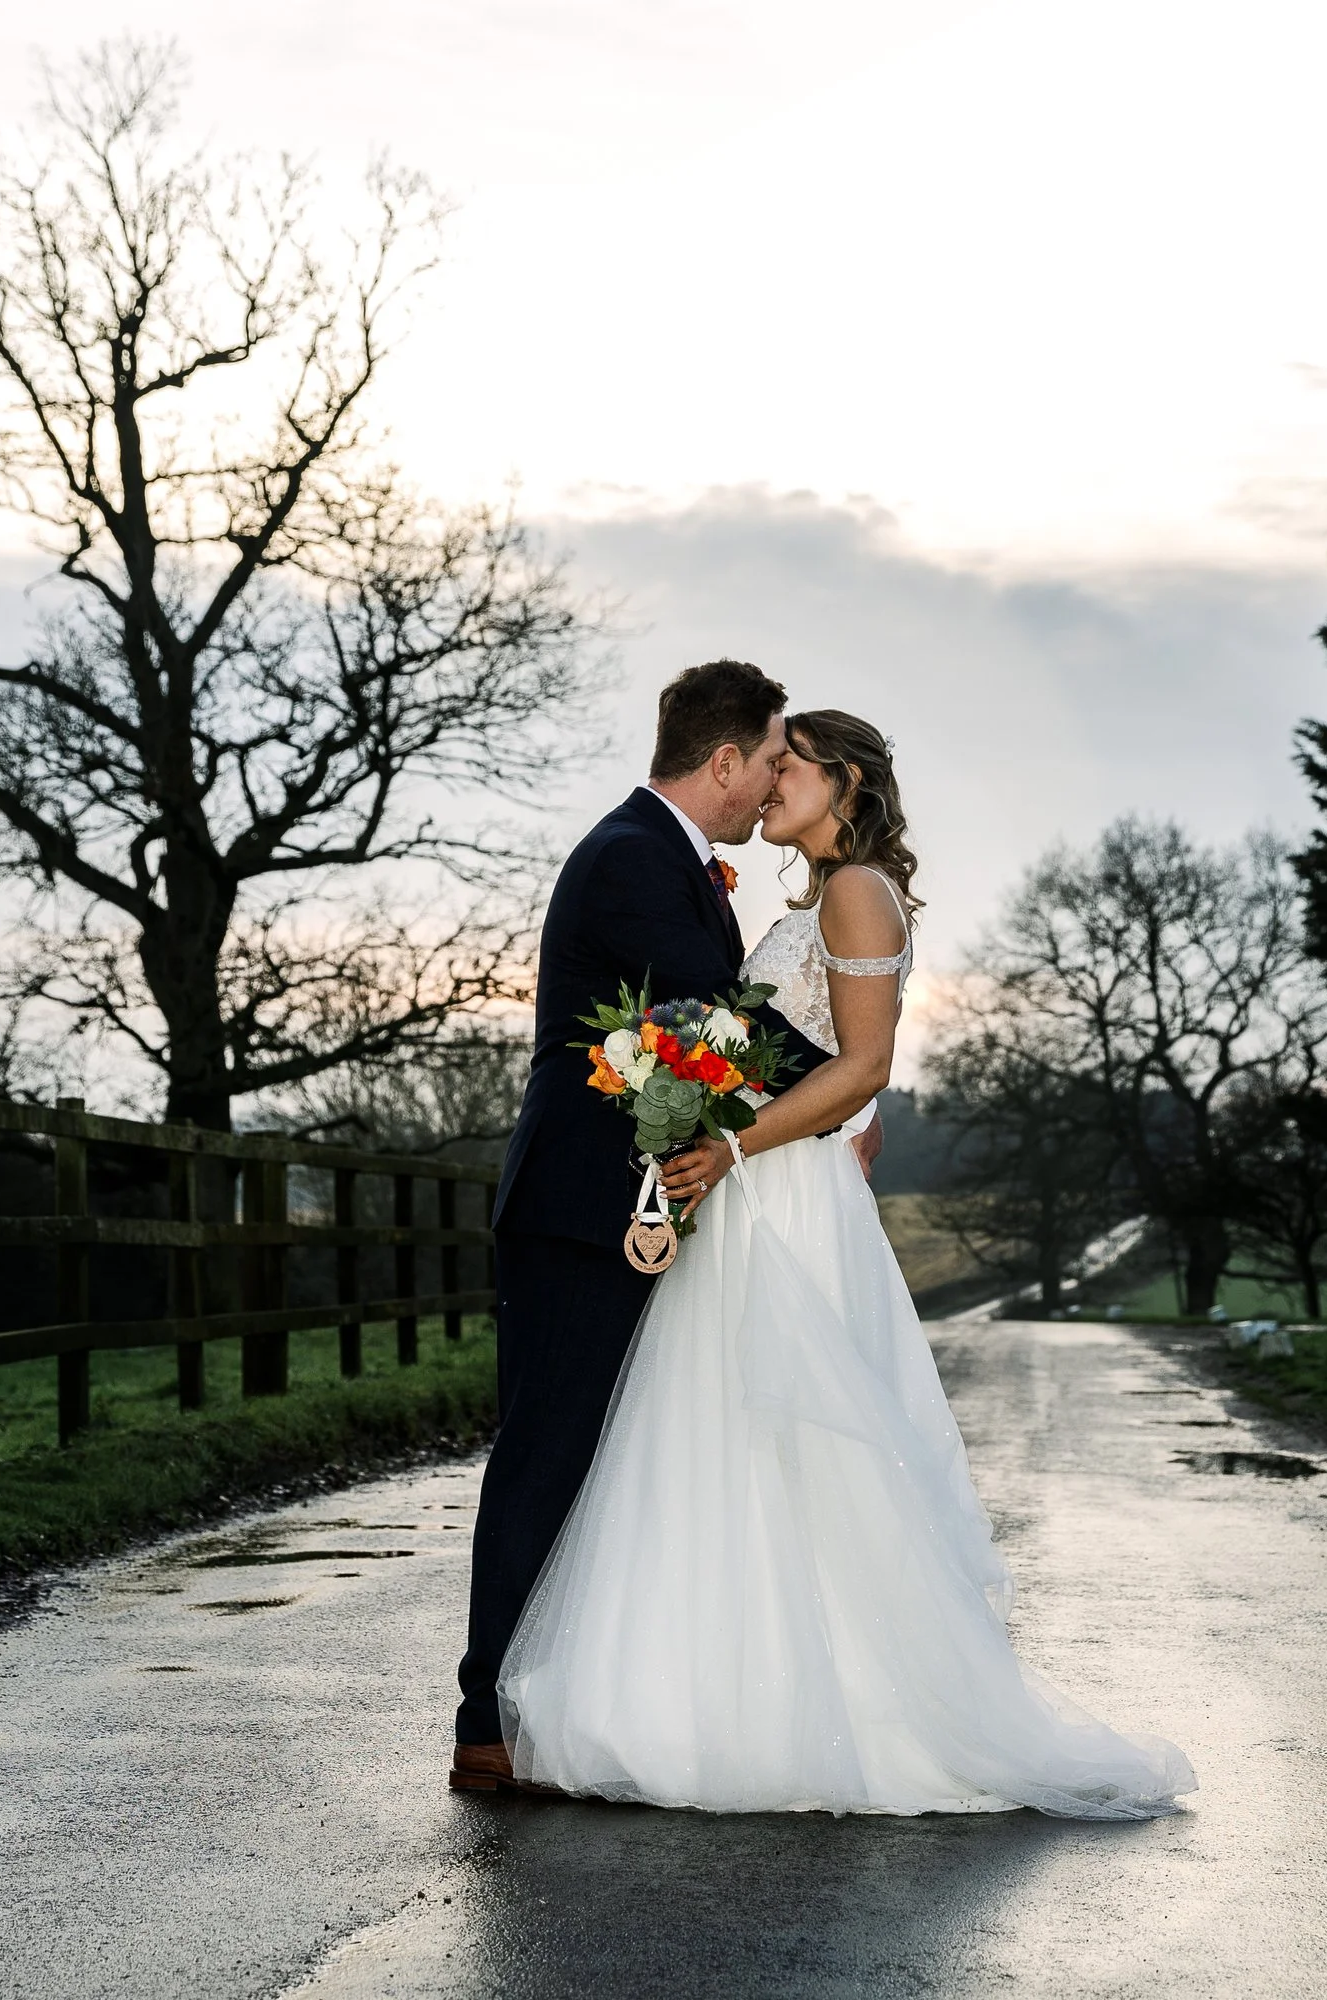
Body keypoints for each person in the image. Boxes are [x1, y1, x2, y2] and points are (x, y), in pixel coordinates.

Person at [492, 707, 1196, 1818]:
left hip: (777, 1195)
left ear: (845, 780)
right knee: (720, 1443)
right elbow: (805, 1051)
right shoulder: (813, 899)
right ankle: (712, 1694)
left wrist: (729, 1140)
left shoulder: (857, 887)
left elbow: (862, 1065)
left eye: (791, 765)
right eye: (767, 762)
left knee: (792, 1442)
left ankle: (822, 1710)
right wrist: (712, 1111)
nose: (771, 781)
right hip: (749, 1189)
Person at [450, 660, 877, 1789]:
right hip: (582, 1205)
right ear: (724, 760)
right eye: (769, 757)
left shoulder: (676, 863)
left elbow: (707, 1032)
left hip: (642, 1203)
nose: (773, 777)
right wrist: (842, 1094)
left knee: (624, 1463)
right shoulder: (635, 857)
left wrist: (827, 1100)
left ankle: (576, 1701)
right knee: (549, 1452)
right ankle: (484, 1719)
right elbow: (721, 1021)